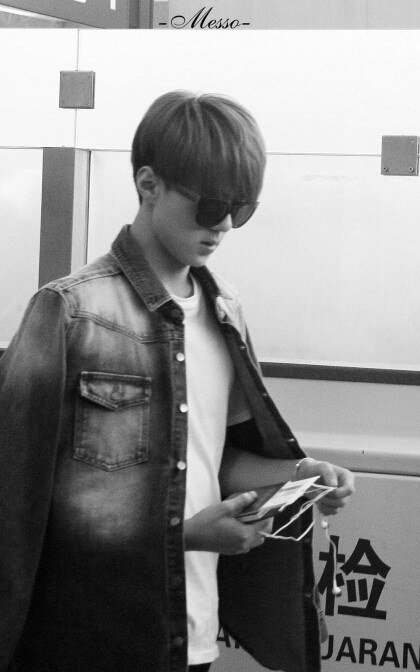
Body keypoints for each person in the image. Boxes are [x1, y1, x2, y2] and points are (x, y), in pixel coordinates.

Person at [0, 90, 354, 672]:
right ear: (149, 185)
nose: (225, 226)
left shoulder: (224, 313)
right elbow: (17, 502)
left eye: (242, 209)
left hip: (190, 638)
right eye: (211, 206)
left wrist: (299, 475)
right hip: (87, 639)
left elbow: (213, 459)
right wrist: (183, 536)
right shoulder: (71, 313)